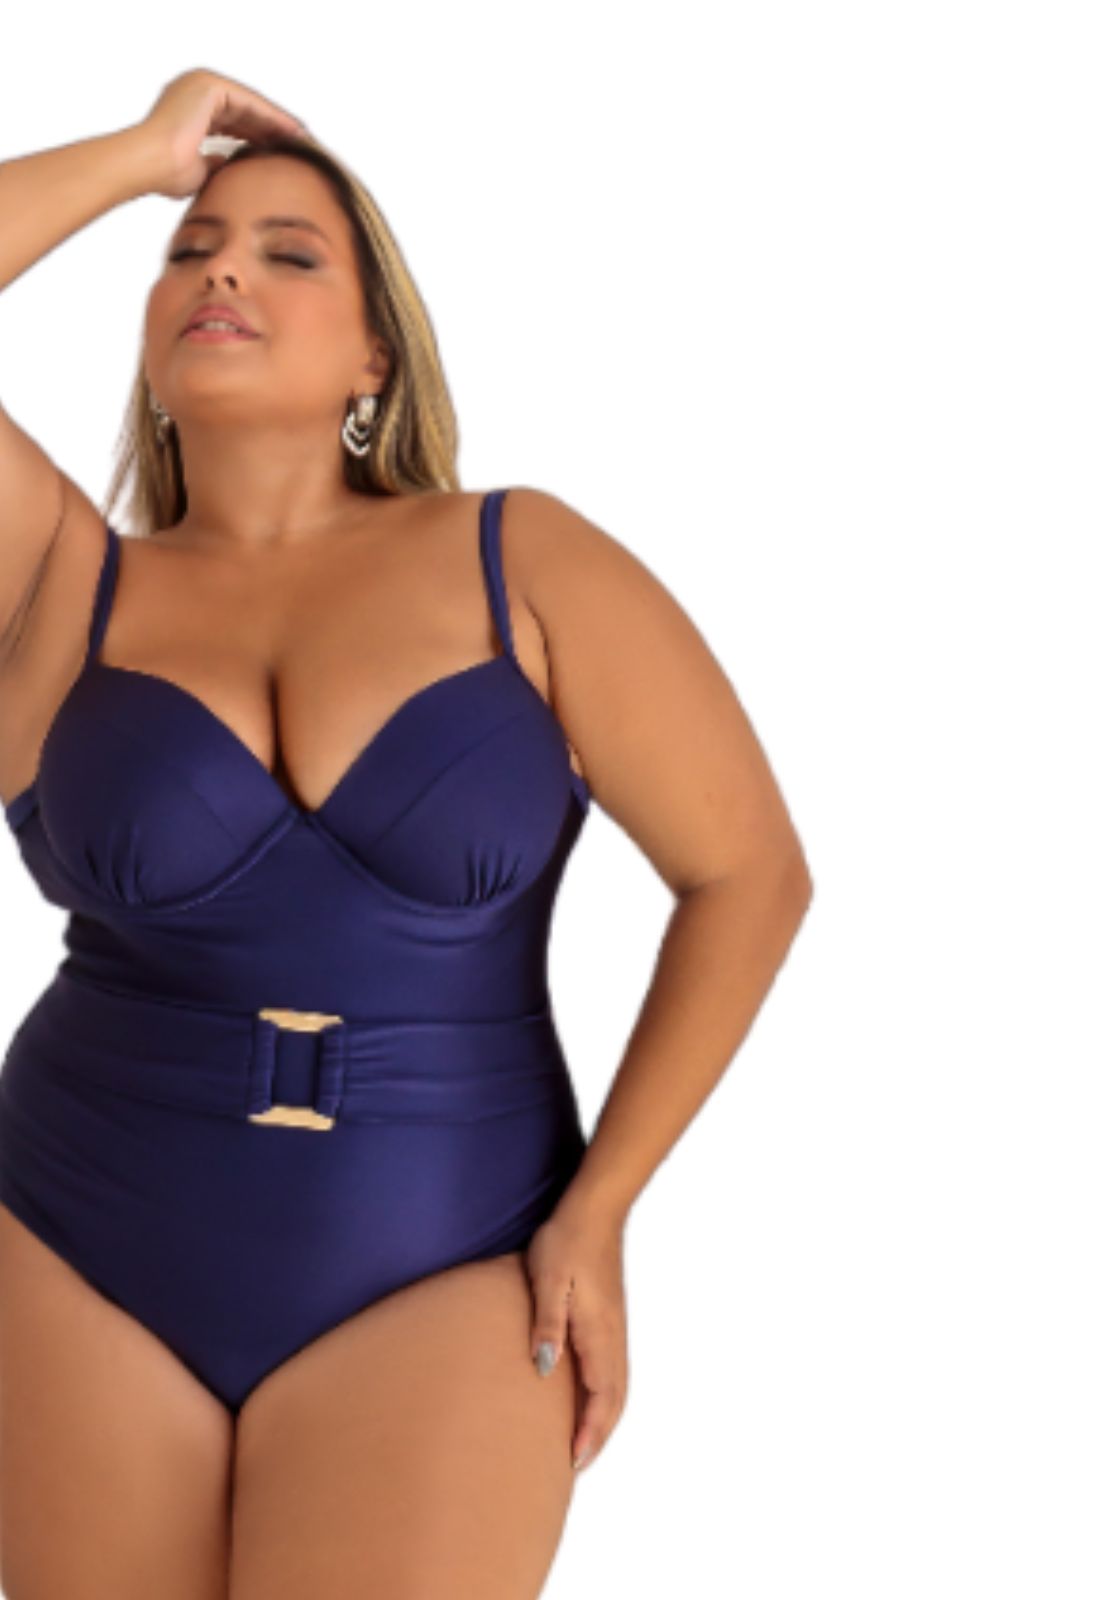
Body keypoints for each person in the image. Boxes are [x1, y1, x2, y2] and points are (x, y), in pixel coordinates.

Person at [0, 68, 813, 1600]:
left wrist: (602, 1209)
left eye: (288, 252)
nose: (221, 272)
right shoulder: (56, 575)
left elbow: (747, 874)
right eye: (190, 252)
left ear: (376, 351)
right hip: (71, 1236)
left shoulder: (521, 558)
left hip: (449, 1249)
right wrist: (135, 155)